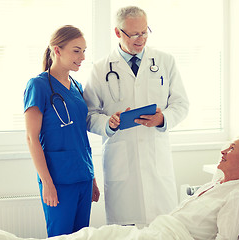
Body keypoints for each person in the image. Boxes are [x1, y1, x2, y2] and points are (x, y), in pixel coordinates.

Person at [0, 136, 239, 240]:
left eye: (232, 148)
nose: (224, 150)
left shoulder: (237, 196)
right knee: (88, 235)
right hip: (149, 232)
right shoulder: (215, 184)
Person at [83, 6, 189, 226]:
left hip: (156, 158)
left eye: (145, 31)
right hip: (122, 161)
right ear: (117, 32)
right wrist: (109, 123)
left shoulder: (164, 61)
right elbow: (89, 114)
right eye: (134, 34)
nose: (141, 39)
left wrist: (163, 119)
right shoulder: (101, 68)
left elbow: (180, 104)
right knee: (125, 230)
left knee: (163, 228)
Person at [23, 25, 100, 237]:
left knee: (81, 236)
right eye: (76, 50)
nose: (82, 57)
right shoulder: (38, 86)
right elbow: (31, 139)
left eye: (84, 50)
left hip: (83, 177)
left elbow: (80, 137)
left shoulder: (76, 86)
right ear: (57, 50)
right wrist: (47, 182)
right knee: (60, 235)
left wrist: (91, 177)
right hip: (58, 179)